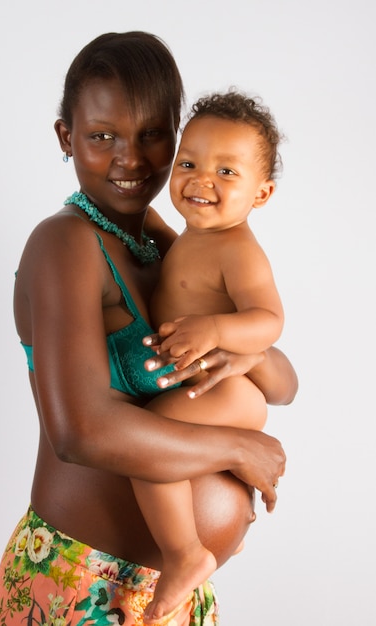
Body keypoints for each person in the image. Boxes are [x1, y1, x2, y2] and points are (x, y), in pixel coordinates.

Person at [0, 32, 297, 626]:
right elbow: (79, 433)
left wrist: (237, 352)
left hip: (171, 593)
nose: (130, 159)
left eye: (153, 135)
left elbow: (281, 380)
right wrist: (241, 448)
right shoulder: (64, 244)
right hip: (79, 585)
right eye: (103, 136)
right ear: (66, 136)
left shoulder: (163, 241)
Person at [131, 89, 286, 623]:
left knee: (148, 446)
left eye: (227, 172)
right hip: (211, 392)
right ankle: (224, 526)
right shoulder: (190, 238)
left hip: (226, 392)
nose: (202, 181)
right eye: (190, 163)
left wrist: (216, 328)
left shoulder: (239, 249)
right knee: (158, 441)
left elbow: (270, 320)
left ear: (260, 194)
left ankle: (185, 554)